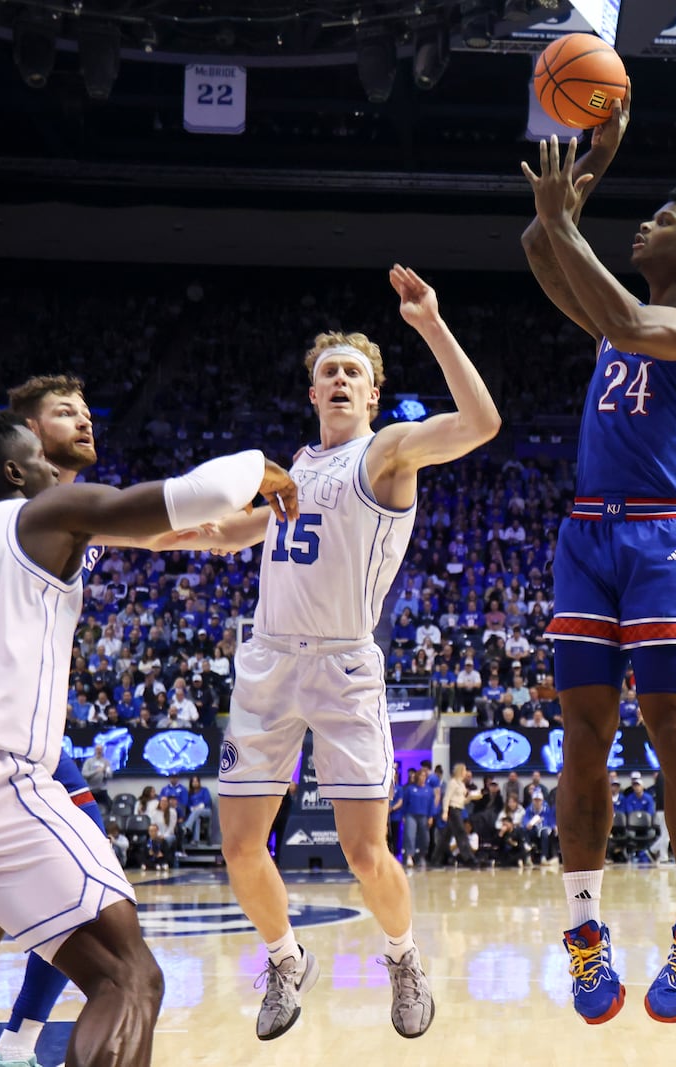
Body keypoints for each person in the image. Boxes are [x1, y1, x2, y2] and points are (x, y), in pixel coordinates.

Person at [0, 407, 295, 1067]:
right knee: (130, 977)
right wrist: (264, 468)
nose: (48, 465)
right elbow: (198, 495)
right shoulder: (42, 512)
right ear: (14, 469)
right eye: (37, 454)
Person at [194, 265, 499, 1041]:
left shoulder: (389, 452)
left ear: (371, 394)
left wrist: (429, 321)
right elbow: (229, 533)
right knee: (238, 845)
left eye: (353, 372)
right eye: (327, 370)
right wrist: (125, 525)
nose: (338, 378)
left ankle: (403, 957)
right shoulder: (291, 470)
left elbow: (481, 421)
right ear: (311, 392)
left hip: (341, 665)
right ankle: (284, 958)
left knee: (366, 852)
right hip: (266, 663)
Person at [521, 99, 676, 1023]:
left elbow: (616, 308)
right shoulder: (620, 326)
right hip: (585, 532)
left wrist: (571, 213)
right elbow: (542, 253)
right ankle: (585, 935)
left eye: (663, 220)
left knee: (672, 722)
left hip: (660, 533)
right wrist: (575, 187)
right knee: (581, 733)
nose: (645, 226)